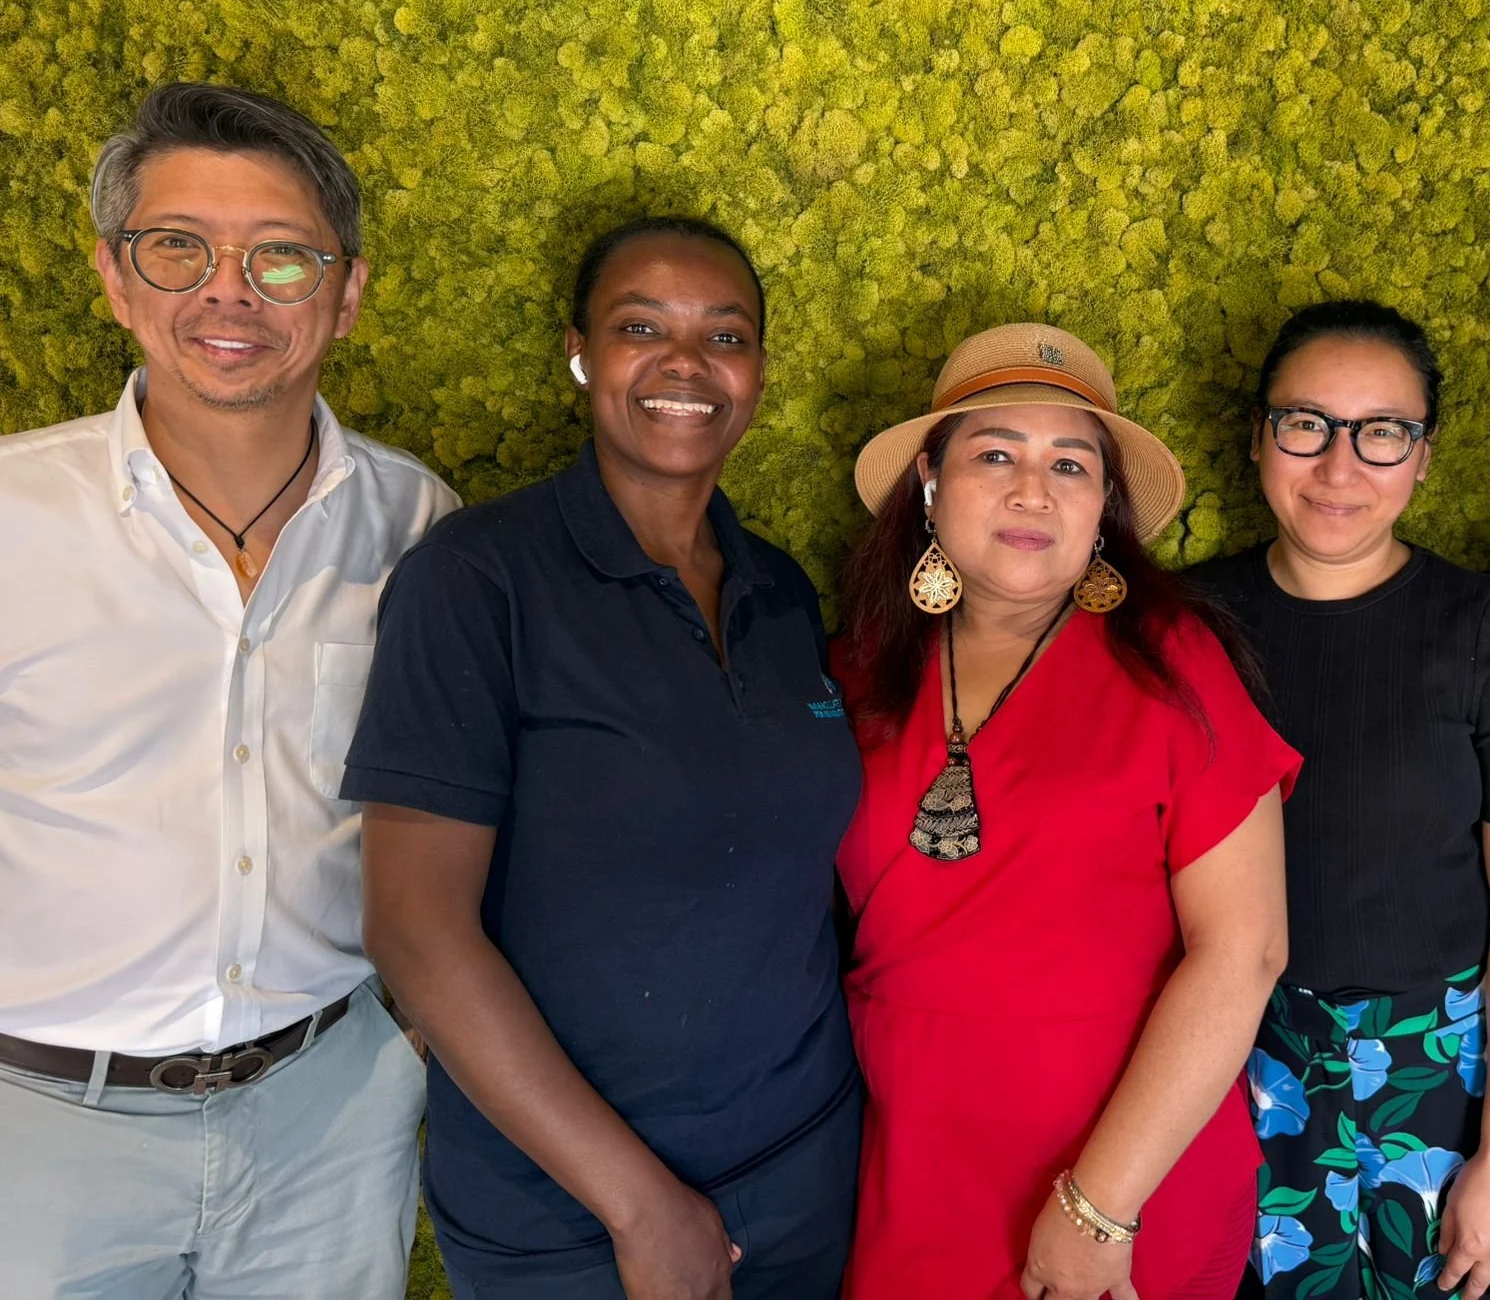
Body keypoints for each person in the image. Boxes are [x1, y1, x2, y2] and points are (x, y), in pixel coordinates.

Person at [345, 216, 861, 1300]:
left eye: (725, 335)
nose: (686, 364)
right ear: (579, 351)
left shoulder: (781, 590)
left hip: (803, 1169)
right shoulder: (477, 581)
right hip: (567, 1209)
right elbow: (415, 929)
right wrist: (638, 1203)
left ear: (758, 370)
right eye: (641, 328)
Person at [0, 82, 455, 1297]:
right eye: (178, 248)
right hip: (41, 1132)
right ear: (114, 278)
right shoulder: (11, 518)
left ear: (346, 291)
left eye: (281, 258)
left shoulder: (420, 525)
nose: (228, 291)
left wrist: (404, 1041)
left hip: (330, 1116)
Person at [833, 322, 1300, 1300]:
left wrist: (1098, 1207)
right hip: (911, 1176)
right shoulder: (855, 675)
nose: (1031, 489)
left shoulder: (1173, 663)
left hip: (1129, 1184)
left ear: (1103, 504)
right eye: (994, 452)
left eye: (1070, 464)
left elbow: (1245, 951)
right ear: (929, 478)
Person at [1189, 300, 1490, 1300]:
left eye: (1381, 433)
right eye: (1305, 424)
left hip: (1434, 1077)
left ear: (1422, 457)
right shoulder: (1188, 627)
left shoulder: (1489, 632)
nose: (1338, 467)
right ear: (1259, 435)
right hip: (1228, 1058)